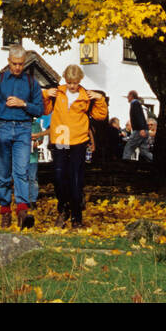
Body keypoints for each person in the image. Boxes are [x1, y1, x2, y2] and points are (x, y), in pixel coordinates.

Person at [0, 46, 45, 229]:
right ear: (9, 62)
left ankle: (22, 211)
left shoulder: (32, 83)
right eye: (14, 64)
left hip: (24, 129)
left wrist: (23, 103)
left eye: (21, 64)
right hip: (2, 128)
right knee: (2, 173)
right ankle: (5, 211)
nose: (18, 67)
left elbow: (40, 109)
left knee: (22, 171)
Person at [46, 65, 108, 227]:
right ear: (65, 79)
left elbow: (100, 116)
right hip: (60, 138)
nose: (72, 85)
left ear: (80, 80)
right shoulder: (57, 93)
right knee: (59, 177)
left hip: (78, 141)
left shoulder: (86, 96)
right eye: (69, 82)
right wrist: (45, 95)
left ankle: (76, 216)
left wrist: (99, 99)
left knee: (75, 179)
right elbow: (45, 110)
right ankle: (63, 208)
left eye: (75, 82)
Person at [26, 89, 54, 225]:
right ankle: (24, 199)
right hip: (22, 156)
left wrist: (37, 143)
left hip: (32, 157)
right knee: (22, 178)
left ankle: (33, 199)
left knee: (33, 178)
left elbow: (41, 139)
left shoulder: (36, 125)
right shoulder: (22, 124)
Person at [123, 91, 150, 160]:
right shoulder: (138, 104)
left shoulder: (134, 103)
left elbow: (138, 116)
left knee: (128, 148)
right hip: (145, 130)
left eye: (128, 96)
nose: (127, 98)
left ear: (131, 96)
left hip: (139, 130)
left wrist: (141, 128)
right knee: (144, 151)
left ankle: (125, 165)